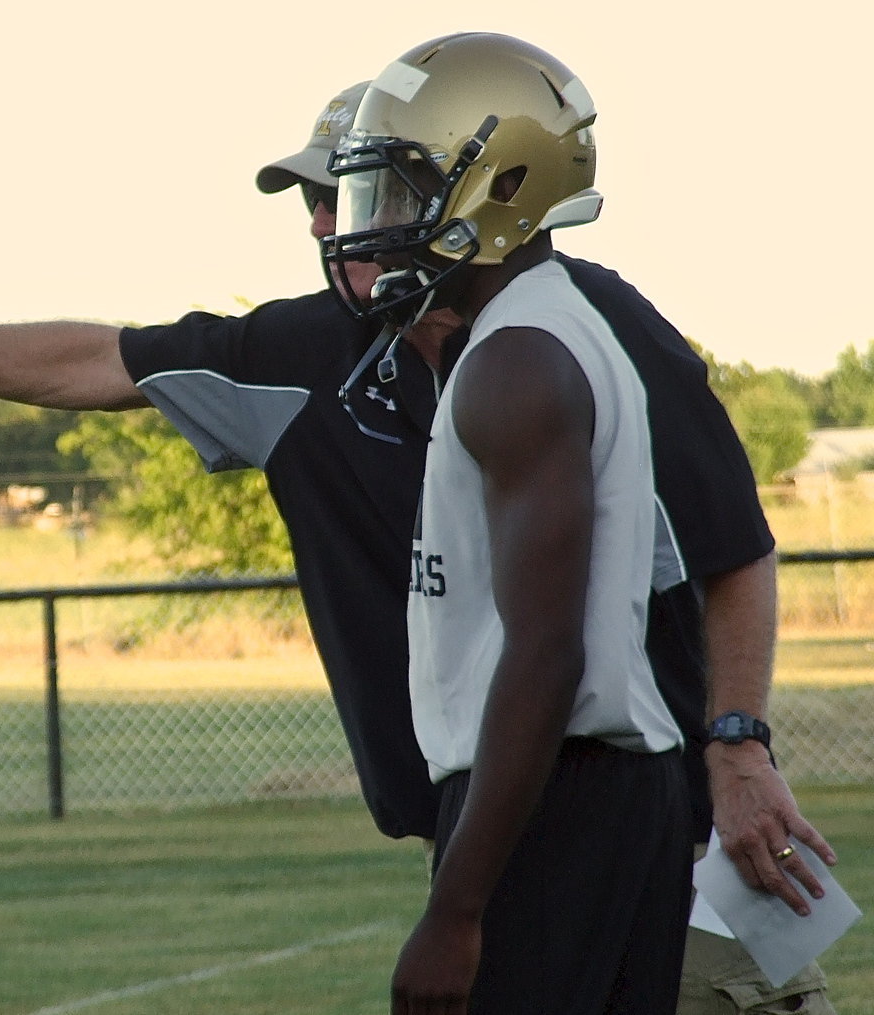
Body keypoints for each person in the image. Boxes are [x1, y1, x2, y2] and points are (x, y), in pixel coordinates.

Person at [0, 71, 834, 1014]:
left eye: (352, 190)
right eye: (320, 198)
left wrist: (737, 749)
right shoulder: (306, 352)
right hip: (499, 819)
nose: (324, 221)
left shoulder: (568, 330)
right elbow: (93, 360)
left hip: (661, 824)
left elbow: (731, 549)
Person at [317, 32, 828, 1013]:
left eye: (400, 189)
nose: (373, 225)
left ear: (495, 183)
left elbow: (545, 656)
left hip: (561, 796)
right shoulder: (551, 326)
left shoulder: (518, 358)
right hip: (598, 791)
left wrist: (457, 908)